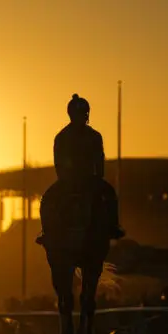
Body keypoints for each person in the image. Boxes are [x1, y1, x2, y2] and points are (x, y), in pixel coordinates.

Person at [37, 94, 124, 245]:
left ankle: (112, 227)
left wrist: (95, 178)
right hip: (73, 181)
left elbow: (97, 160)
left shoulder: (83, 136)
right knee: (46, 200)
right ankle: (47, 232)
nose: (82, 117)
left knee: (110, 195)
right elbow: (61, 163)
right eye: (80, 114)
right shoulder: (70, 137)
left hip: (82, 181)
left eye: (83, 114)